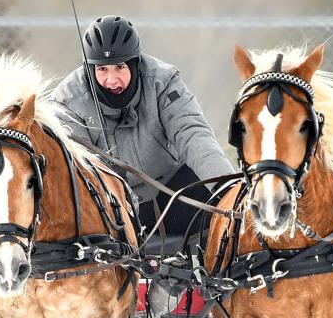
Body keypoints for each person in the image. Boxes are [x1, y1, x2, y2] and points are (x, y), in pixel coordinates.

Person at [50, 15, 234, 252]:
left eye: (120, 67)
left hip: (171, 191)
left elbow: (193, 134)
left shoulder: (162, 82)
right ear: (89, 68)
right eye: (102, 69)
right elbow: (75, 171)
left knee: (219, 215)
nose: (111, 79)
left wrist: (229, 192)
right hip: (111, 205)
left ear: (135, 63)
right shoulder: (67, 102)